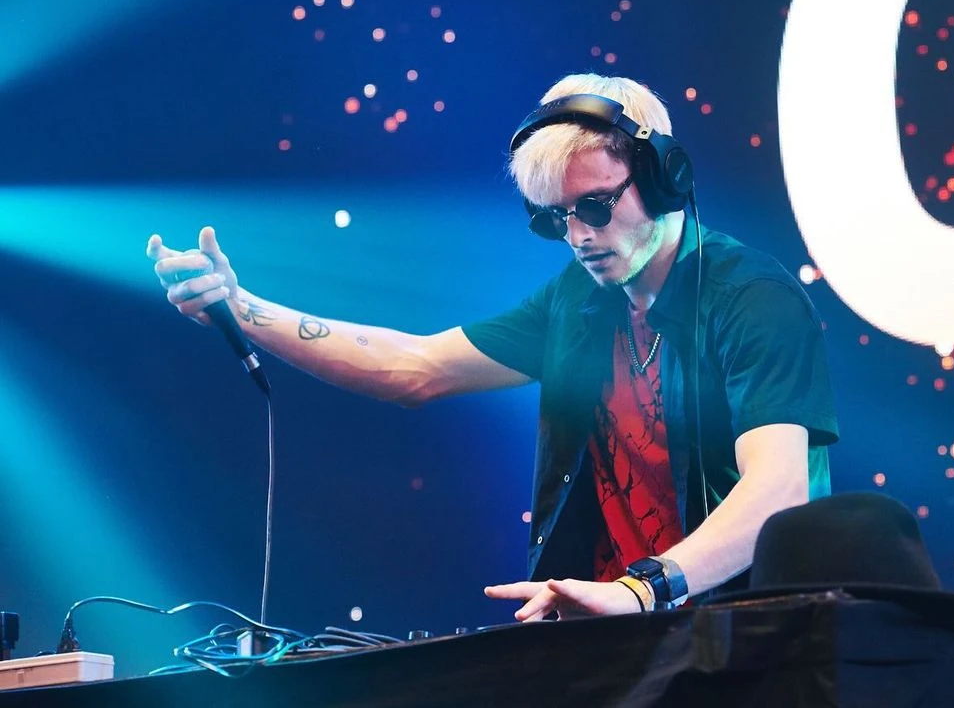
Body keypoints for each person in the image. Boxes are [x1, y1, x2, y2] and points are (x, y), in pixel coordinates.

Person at [147, 74, 838, 621]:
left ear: (663, 177)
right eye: (556, 218)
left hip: (751, 639)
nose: (579, 236)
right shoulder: (577, 301)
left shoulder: (751, 298)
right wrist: (239, 306)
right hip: (624, 642)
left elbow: (778, 490)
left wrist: (641, 588)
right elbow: (414, 368)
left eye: (595, 206)